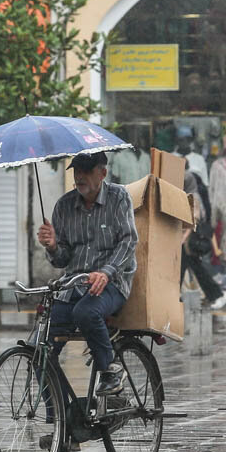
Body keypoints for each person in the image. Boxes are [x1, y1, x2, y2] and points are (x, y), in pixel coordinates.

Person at [37, 151, 138, 397]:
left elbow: (128, 241)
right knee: (39, 353)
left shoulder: (119, 197)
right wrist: (52, 246)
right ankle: (63, 421)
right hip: (73, 285)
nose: (79, 176)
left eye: (86, 170)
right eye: (76, 170)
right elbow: (62, 259)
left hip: (112, 283)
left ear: (102, 173)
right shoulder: (63, 206)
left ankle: (110, 370)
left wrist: (105, 272)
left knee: (86, 311)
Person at [181, 173, 226, 310]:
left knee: (196, 270)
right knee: (192, 269)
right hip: (188, 243)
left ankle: (218, 295)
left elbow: (194, 219)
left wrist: (183, 238)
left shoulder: (193, 197)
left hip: (189, 242)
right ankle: (216, 295)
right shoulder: (193, 196)